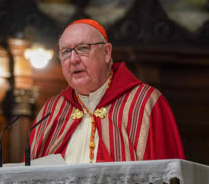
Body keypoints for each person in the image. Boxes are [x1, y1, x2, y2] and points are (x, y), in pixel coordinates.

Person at [28, 19, 185, 164]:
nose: (73, 59)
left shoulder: (144, 103)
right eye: (66, 52)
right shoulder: (51, 112)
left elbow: (166, 171)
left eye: (83, 48)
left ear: (107, 53)